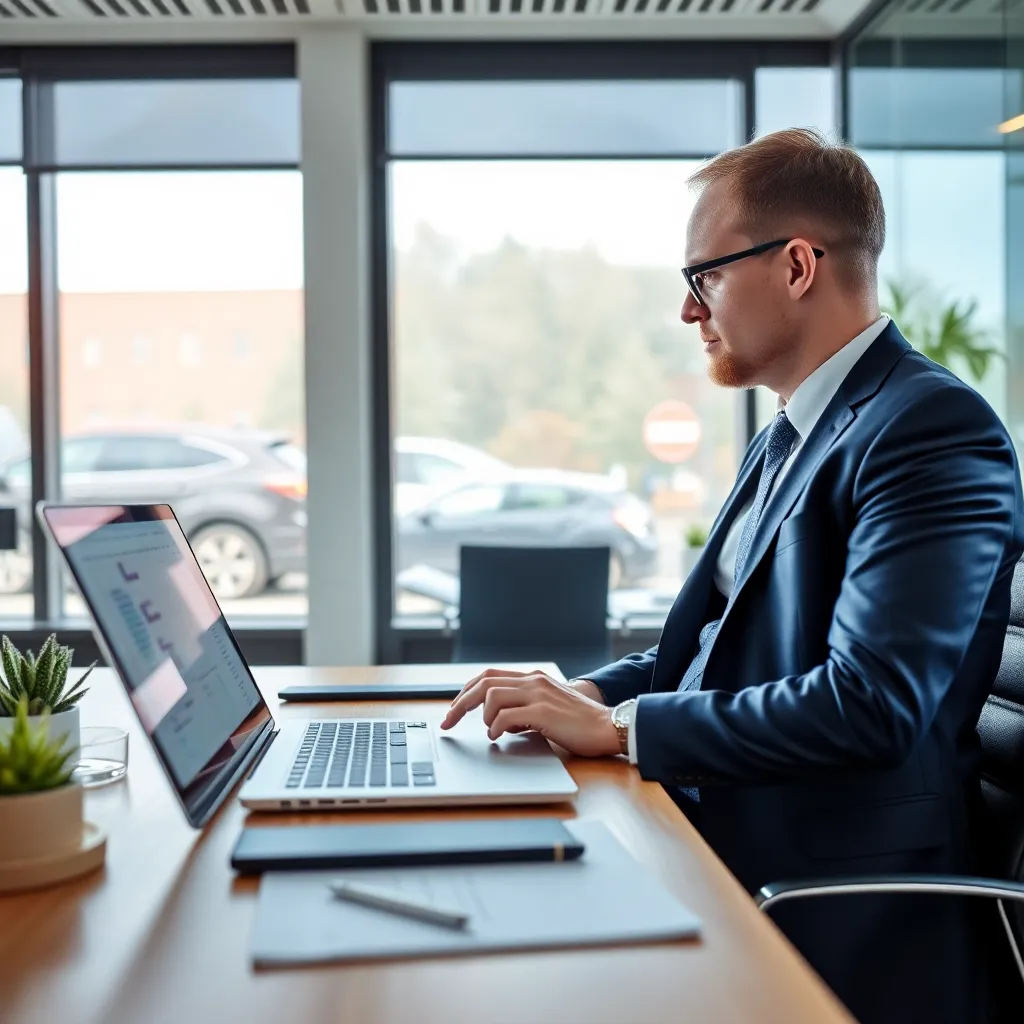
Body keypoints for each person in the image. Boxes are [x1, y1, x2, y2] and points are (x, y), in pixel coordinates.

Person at [442, 129, 1024, 1024]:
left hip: (828, 900)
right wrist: (581, 692)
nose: (688, 311)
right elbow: (716, 645)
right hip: (728, 844)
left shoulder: (931, 428)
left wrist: (623, 729)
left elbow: (870, 703)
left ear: (797, 266)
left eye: (703, 276)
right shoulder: (787, 432)